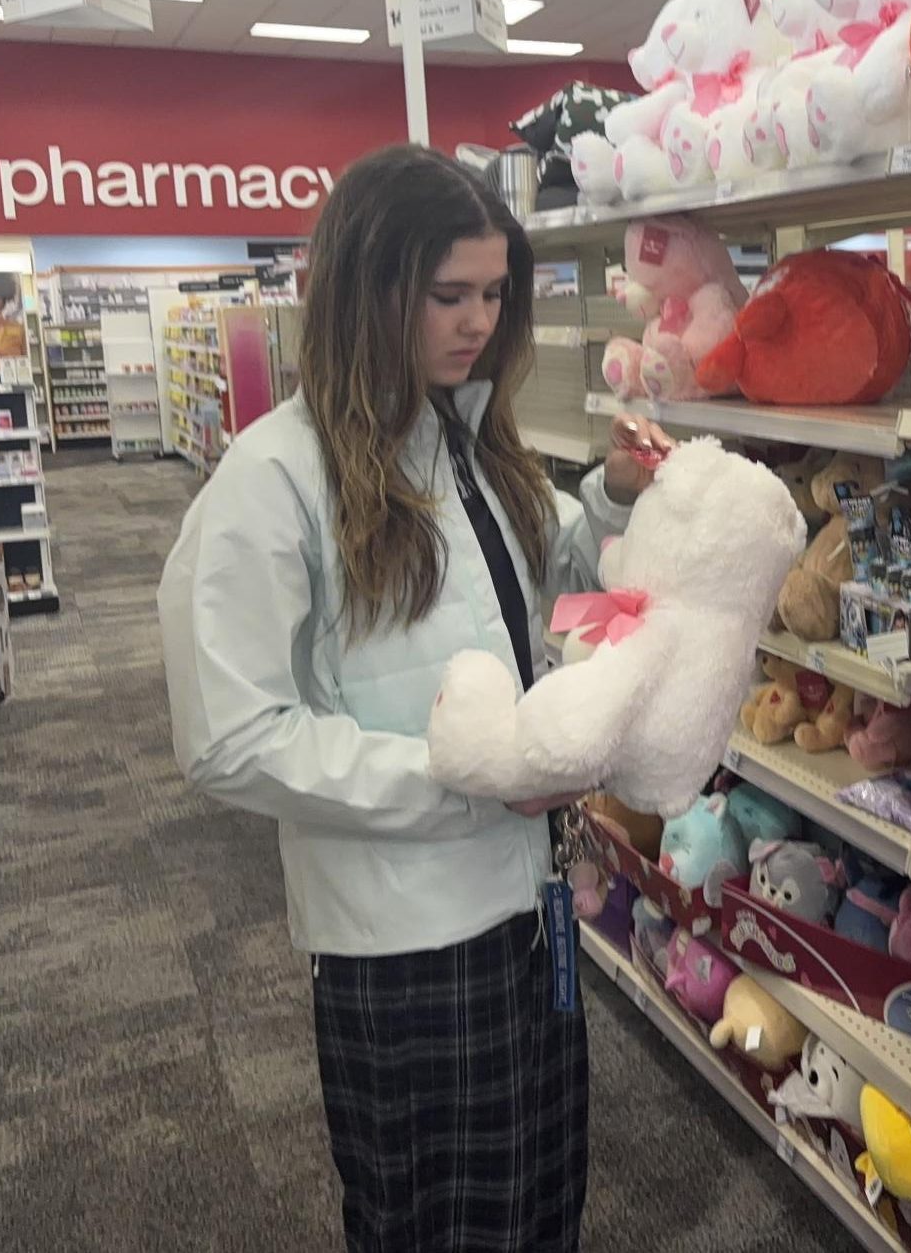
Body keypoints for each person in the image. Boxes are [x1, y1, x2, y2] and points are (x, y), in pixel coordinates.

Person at [158, 143, 671, 1252]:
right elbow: (229, 736)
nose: (478, 319)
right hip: (405, 943)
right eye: (449, 294)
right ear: (370, 287)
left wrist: (611, 504)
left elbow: (520, 616)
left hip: (527, 913)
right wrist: (462, 779)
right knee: (432, 1224)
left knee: (543, 1205)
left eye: (494, 292)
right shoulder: (274, 477)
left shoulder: (469, 438)